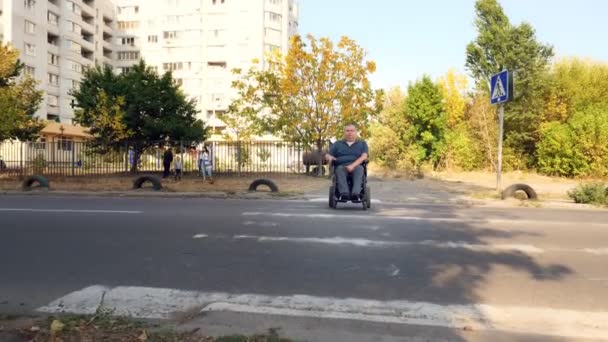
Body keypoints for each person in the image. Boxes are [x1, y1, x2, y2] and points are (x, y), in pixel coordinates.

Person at [325, 124, 369, 201]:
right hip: (342, 166)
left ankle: (356, 193)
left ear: (355, 132)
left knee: (359, 169)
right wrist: (330, 157)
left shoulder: (362, 144)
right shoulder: (337, 144)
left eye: (352, 131)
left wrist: (352, 166)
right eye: (347, 131)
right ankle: (344, 193)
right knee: (339, 169)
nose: (350, 133)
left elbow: (364, 156)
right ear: (344, 132)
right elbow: (328, 155)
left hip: (357, 166)